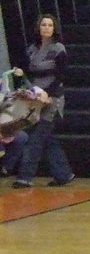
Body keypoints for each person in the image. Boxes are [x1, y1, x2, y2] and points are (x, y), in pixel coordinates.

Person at [10, 14, 74, 189]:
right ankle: (64, 174)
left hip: (52, 99)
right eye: (44, 24)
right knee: (47, 139)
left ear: (54, 28)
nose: (46, 28)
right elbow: (27, 71)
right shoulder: (32, 49)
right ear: (39, 27)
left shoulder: (58, 48)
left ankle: (24, 177)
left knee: (36, 139)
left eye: (50, 25)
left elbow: (61, 75)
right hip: (35, 98)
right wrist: (20, 74)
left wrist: (48, 93)